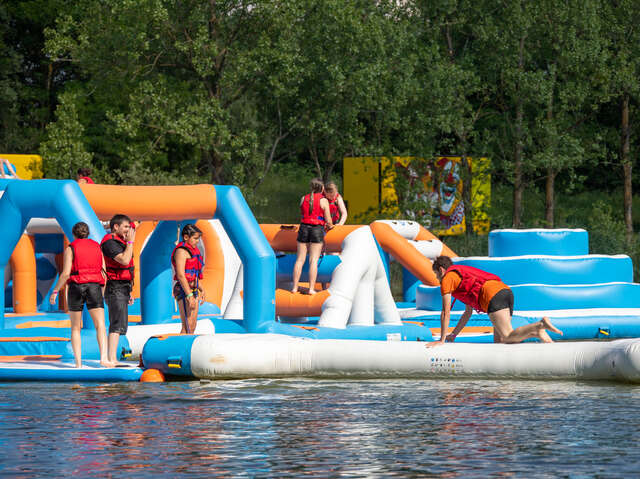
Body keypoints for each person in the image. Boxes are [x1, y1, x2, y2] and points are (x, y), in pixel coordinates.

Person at [427, 256, 562, 347]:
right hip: (504, 290)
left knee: (507, 336)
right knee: (500, 342)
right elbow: (467, 313)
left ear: (441, 270)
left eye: (436, 274)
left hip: (492, 295)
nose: (437, 278)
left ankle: (539, 325)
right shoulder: (459, 276)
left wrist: (442, 340)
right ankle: (538, 334)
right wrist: (453, 335)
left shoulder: (447, 279)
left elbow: (445, 312)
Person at [49, 222, 111, 368]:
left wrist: (55, 291)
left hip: (76, 286)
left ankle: (78, 363)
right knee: (100, 325)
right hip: (94, 286)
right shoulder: (97, 247)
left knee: (75, 327)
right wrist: (101, 291)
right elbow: (104, 272)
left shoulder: (71, 248)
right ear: (87, 233)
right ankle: (104, 359)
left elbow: (65, 274)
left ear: (74, 234)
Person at [100, 214, 135, 364]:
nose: (129, 230)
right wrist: (131, 242)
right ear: (116, 227)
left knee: (121, 323)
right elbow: (124, 260)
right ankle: (111, 358)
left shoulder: (123, 242)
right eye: (126, 227)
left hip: (123, 287)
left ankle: (113, 357)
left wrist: (130, 291)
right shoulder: (110, 242)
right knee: (116, 323)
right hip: (114, 287)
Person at [291, 178, 334, 295]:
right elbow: (329, 221)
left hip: (304, 228)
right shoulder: (323, 201)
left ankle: (294, 287)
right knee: (313, 261)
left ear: (311, 187)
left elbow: (304, 214)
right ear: (322, 188)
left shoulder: (303, 198)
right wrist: (330, 225)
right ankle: (311, 289)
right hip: (316, 230)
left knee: (299, 260)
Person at [171, 224, 206, 334]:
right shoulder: (181, 252)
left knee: (192, 325)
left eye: (198, 239)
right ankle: (178, 350)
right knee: (187, 327)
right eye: (195, 238)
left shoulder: (194, 251)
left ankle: (186, 350)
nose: (197, 241)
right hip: (183, 290)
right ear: (186, 237)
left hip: (193, 289)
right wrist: (189, 295)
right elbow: (181, 275)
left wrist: (202, 289)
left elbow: (193, 274)